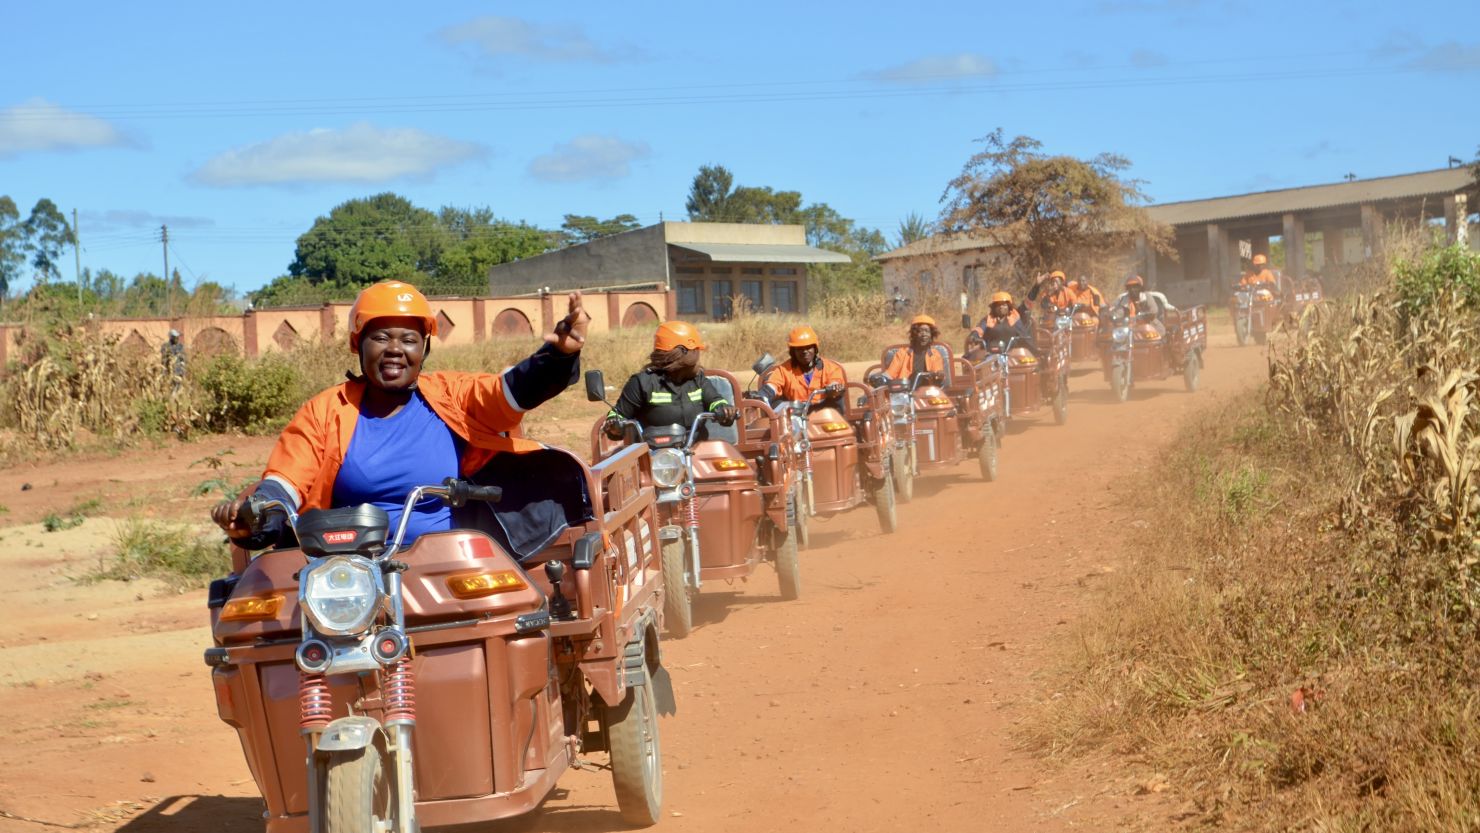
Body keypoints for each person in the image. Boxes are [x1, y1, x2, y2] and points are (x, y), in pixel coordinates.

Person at [210, 280, 589, 551]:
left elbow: (507, 393)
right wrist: (260, 515)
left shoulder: (452, 396)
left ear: (424, 350)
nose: (395, 349)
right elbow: (286, 479)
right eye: (380, 337)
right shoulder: (325, 411)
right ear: (358, 344)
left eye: (408, 340)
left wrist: (556, 358)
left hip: (452, 562)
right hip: (350, 569)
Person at [603, 321, 737, 440]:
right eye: (695, 349)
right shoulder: (641, 383)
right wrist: (614, 426)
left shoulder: (698, 379)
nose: (698, 354)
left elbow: (715, 401)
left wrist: (725, 410)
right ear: (682, 351)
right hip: (655, 454)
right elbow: (618, 414)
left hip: (696, 451)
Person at [757, 325, 848, 409]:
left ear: (815, 348)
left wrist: (834, 388)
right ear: (793, 352)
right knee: (776, 405)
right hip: (795, 416)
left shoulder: (831, 368)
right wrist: (763, 394)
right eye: (800, 349)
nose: (804, 352)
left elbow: (836, 382)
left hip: (824, 415)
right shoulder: (783, 370)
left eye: (808, 347)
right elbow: (773, 385)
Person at [882, 314, 946, 381]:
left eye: (927, 331)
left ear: (931, 335)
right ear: (914, 334)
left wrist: (940, 374)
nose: (924, 334)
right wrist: (881, 378)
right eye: (920, 331)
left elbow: (938, 373)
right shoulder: (902, 353)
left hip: (928, 387)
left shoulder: (935, 355)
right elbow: (890, 374)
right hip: (906, 387)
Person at [968, 291, 1036, 353]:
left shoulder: (1014, 318)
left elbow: (1024, 335)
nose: (1001, 307)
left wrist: (1037, 286)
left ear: (1009, 307)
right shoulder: (989, 319)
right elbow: (979, 329)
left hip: (1013, 354)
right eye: (998, 305)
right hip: (991, 354)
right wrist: (974, 335)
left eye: (1004, 305)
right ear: (994, 307)